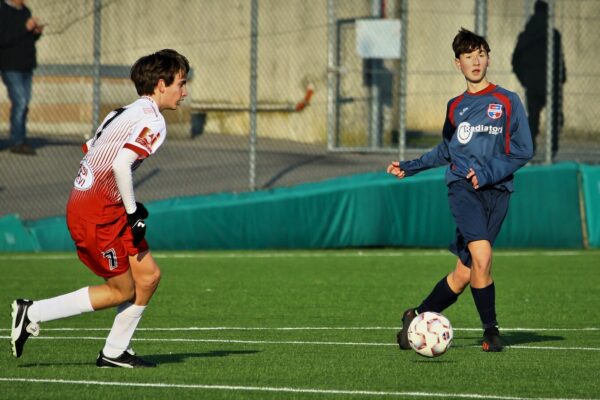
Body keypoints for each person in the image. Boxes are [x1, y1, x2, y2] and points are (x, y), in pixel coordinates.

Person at [10, 49, 190, 367]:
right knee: (121, 290)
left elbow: (93, 152)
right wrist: (133, 212)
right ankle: (33, 312)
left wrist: (123, 204)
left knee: (147, 277)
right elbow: (121, 164)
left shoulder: (120, 112)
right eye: (181, 83)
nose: (184, 92)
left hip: (103, 205)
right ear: (161, 84)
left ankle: (115, 351)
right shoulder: (154, 121)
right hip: (96, 214)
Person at [387, 28, 533, 352]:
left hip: (498, 192)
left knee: (465, 273)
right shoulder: (455, 107)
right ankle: (491, 332)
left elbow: (523, 150)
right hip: (462, 189)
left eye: (480, 54)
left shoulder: (508, 101)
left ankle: (415, 316)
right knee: (483, 255)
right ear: (458, 63)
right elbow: (446, 151)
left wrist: (488, 172)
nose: (476, 61)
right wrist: (411, 166)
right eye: (468, 56)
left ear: (489, 58)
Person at [512, 0, 566, 159]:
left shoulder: (526, 35)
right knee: (555, 117)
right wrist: (560, 80)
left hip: (533, 82)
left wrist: (525, 79)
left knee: (532, 118)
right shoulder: (553, 34)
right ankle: (552, 149)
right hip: (551, 82)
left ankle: (531, 148)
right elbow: (560, 61)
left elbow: (516, 60)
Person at [0, 0, 44, 155]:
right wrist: (25, 28)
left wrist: (35, 33)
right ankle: (17, 141)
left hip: (26, 65)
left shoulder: (25, 11)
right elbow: (4, 38)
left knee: (24, 104)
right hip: (11, 66)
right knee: (21, 101)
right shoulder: (3, 10)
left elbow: (26, 38)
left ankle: (20, 138)